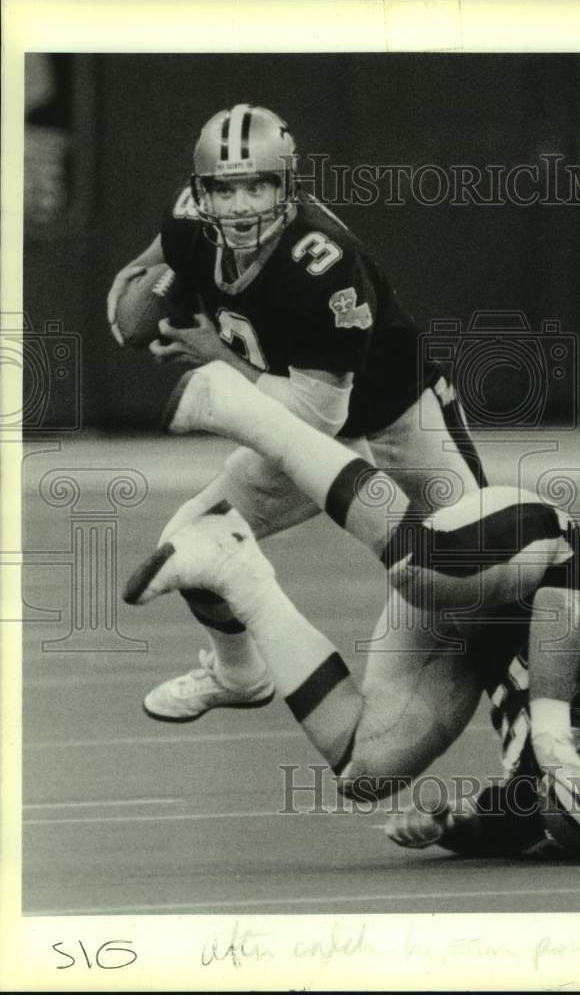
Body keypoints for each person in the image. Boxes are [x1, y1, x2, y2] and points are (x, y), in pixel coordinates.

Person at [123, 360, 580, 862]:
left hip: (465, 638)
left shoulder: (550, 808)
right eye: (574, 773)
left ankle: (232, 565)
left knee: (365, 769)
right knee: (426, 572)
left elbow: (496, 826)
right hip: (533, 560)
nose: (556, 779)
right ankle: (243, 407)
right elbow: (565, 610)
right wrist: (554, 726)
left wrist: (441, 825)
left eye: (554, 799)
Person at [106, 103, 486, 722]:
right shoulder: (188, 222)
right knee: (188, 542)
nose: (240, 205)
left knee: (479, 568)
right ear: (200, 193)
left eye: (258, 185)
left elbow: (315, 418)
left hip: (394, 414)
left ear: (289, 185)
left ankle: (551, 718)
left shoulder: (323, 260)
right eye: (223, 189)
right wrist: (131, 291)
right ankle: (239, 674)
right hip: (294, 411)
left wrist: (217, 356)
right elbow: (152, 261)